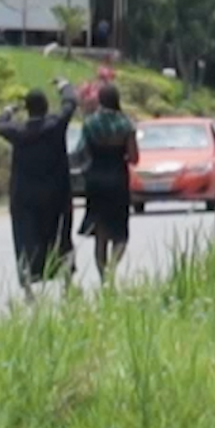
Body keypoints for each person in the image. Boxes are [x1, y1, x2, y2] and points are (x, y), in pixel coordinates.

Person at [0, 84, 80, 294]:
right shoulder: (55, 126)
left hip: (25, 198)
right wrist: (65, 87)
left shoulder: (18, 132)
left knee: (26, 239)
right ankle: (67, 284)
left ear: (28, 109)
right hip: (56, 195)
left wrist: (8, 111)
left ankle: (28, 288)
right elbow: (70, 105)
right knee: (60, 237)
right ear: (45, 107)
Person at [78, 82, 137, 283]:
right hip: (118, 179)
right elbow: (134, 157)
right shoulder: (125, 124)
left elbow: (82, 153)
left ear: (100, 100)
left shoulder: (89, 123)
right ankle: (112, 268)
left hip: (95, 179)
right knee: (120, 233)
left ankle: (103, 277)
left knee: (100, 234)